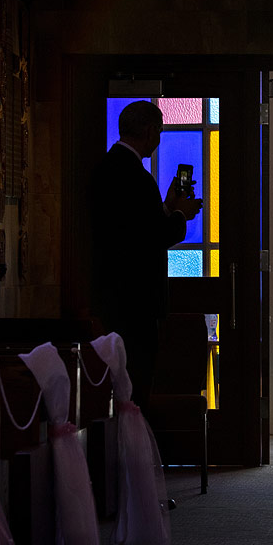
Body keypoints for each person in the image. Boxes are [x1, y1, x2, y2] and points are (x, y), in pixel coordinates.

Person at [88, 100, 203, 412]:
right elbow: (154, 237)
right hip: (136, 301)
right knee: (136, 386)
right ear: (151, 130)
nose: (160, 138)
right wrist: (180, 214)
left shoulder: (106, 169)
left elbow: (134, 231)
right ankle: (132, 452)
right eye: (160, 131)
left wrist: (166, 208)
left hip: (110, 296)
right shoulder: (136, 177)